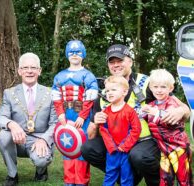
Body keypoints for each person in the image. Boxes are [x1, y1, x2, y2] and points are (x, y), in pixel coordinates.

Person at [81, 44, 190, 186]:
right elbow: (90, 135)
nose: (116, 65)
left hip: (145, 141)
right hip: (118, 143)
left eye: (120, 60)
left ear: (130, 62)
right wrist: (95, 122)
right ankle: (127, 177)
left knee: (140, 156)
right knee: (88, 148)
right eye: (112, 62)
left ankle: (156, 182)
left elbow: (184, 109)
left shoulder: (148, 83)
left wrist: (180, 111)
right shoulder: (105, 91)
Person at [0, 52, 57, 186]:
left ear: (39, 71)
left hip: (39, 138)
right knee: (4, 136)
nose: (29, 71)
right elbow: (0, 118)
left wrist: (44, 139)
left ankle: (41, 171)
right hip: (18, 139)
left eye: (33, 68)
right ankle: (12, 175)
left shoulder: (50, 93)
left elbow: (55, 123)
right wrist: (12, 124)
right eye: (25, 68)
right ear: (19, 71)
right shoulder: (9, 93)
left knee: (41, 160)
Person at [52, 40, 98, 186]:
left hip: (81, 117)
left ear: (83, 54)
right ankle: (69, 181)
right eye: (71, 52)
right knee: (68, 148)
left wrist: (83, 116)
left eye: (78, 52)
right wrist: (60, 114)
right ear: (67, 54)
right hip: (66, 115)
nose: (74, 55)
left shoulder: (88, 76)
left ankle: (81, 181)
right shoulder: (59, 76)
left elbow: (90, 99)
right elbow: (56, 97)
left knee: (81, 149)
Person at [142, 69, 193, 186]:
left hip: (179, 148)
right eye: (155, 86)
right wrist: (142, 113)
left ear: (170, 88)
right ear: (150, 87)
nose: (159, 90)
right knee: (165, 179)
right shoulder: (151, 105)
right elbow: (145, 118)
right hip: (164, 149)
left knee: (184, 178)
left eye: (163, 87)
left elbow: (168, 120)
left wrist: (155, 112)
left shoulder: (173, 102)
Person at [99, 76, 141, 185]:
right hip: (112, 151)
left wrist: (125, 146)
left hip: (126, 150)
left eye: (113, 89)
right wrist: (111, 147)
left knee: (126, 176)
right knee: (110, 174)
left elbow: (136, 130)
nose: (109, 93)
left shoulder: (130, 111)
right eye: (107, 90)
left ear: (124, 92)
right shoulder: (105, 112)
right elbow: (103, 130)